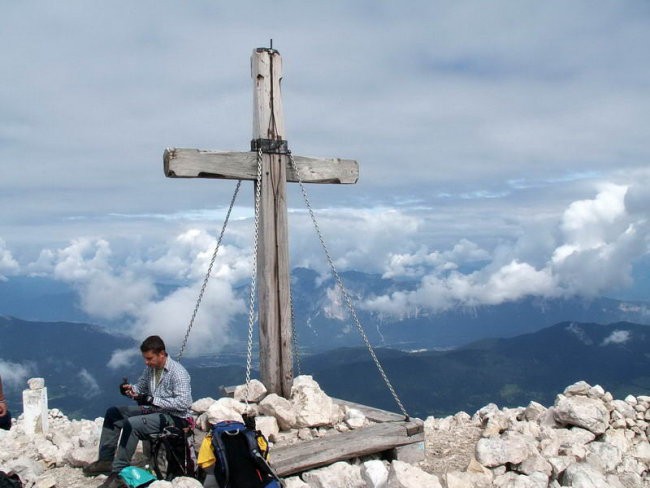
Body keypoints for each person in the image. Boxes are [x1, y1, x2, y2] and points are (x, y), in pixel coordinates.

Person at [83, 335, 193, 488]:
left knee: (133, 424)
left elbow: (184, 403)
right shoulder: (151, 369)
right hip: (155, 410)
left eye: (149, 358)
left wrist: (151, 400)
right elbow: (141, 387)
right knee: (114, 413)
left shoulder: (178, 373)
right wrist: (129, 389)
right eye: (145, 358)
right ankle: (106, 460)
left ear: (161, 354)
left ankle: (119, 473)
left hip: (175, 417)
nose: (146, 362)